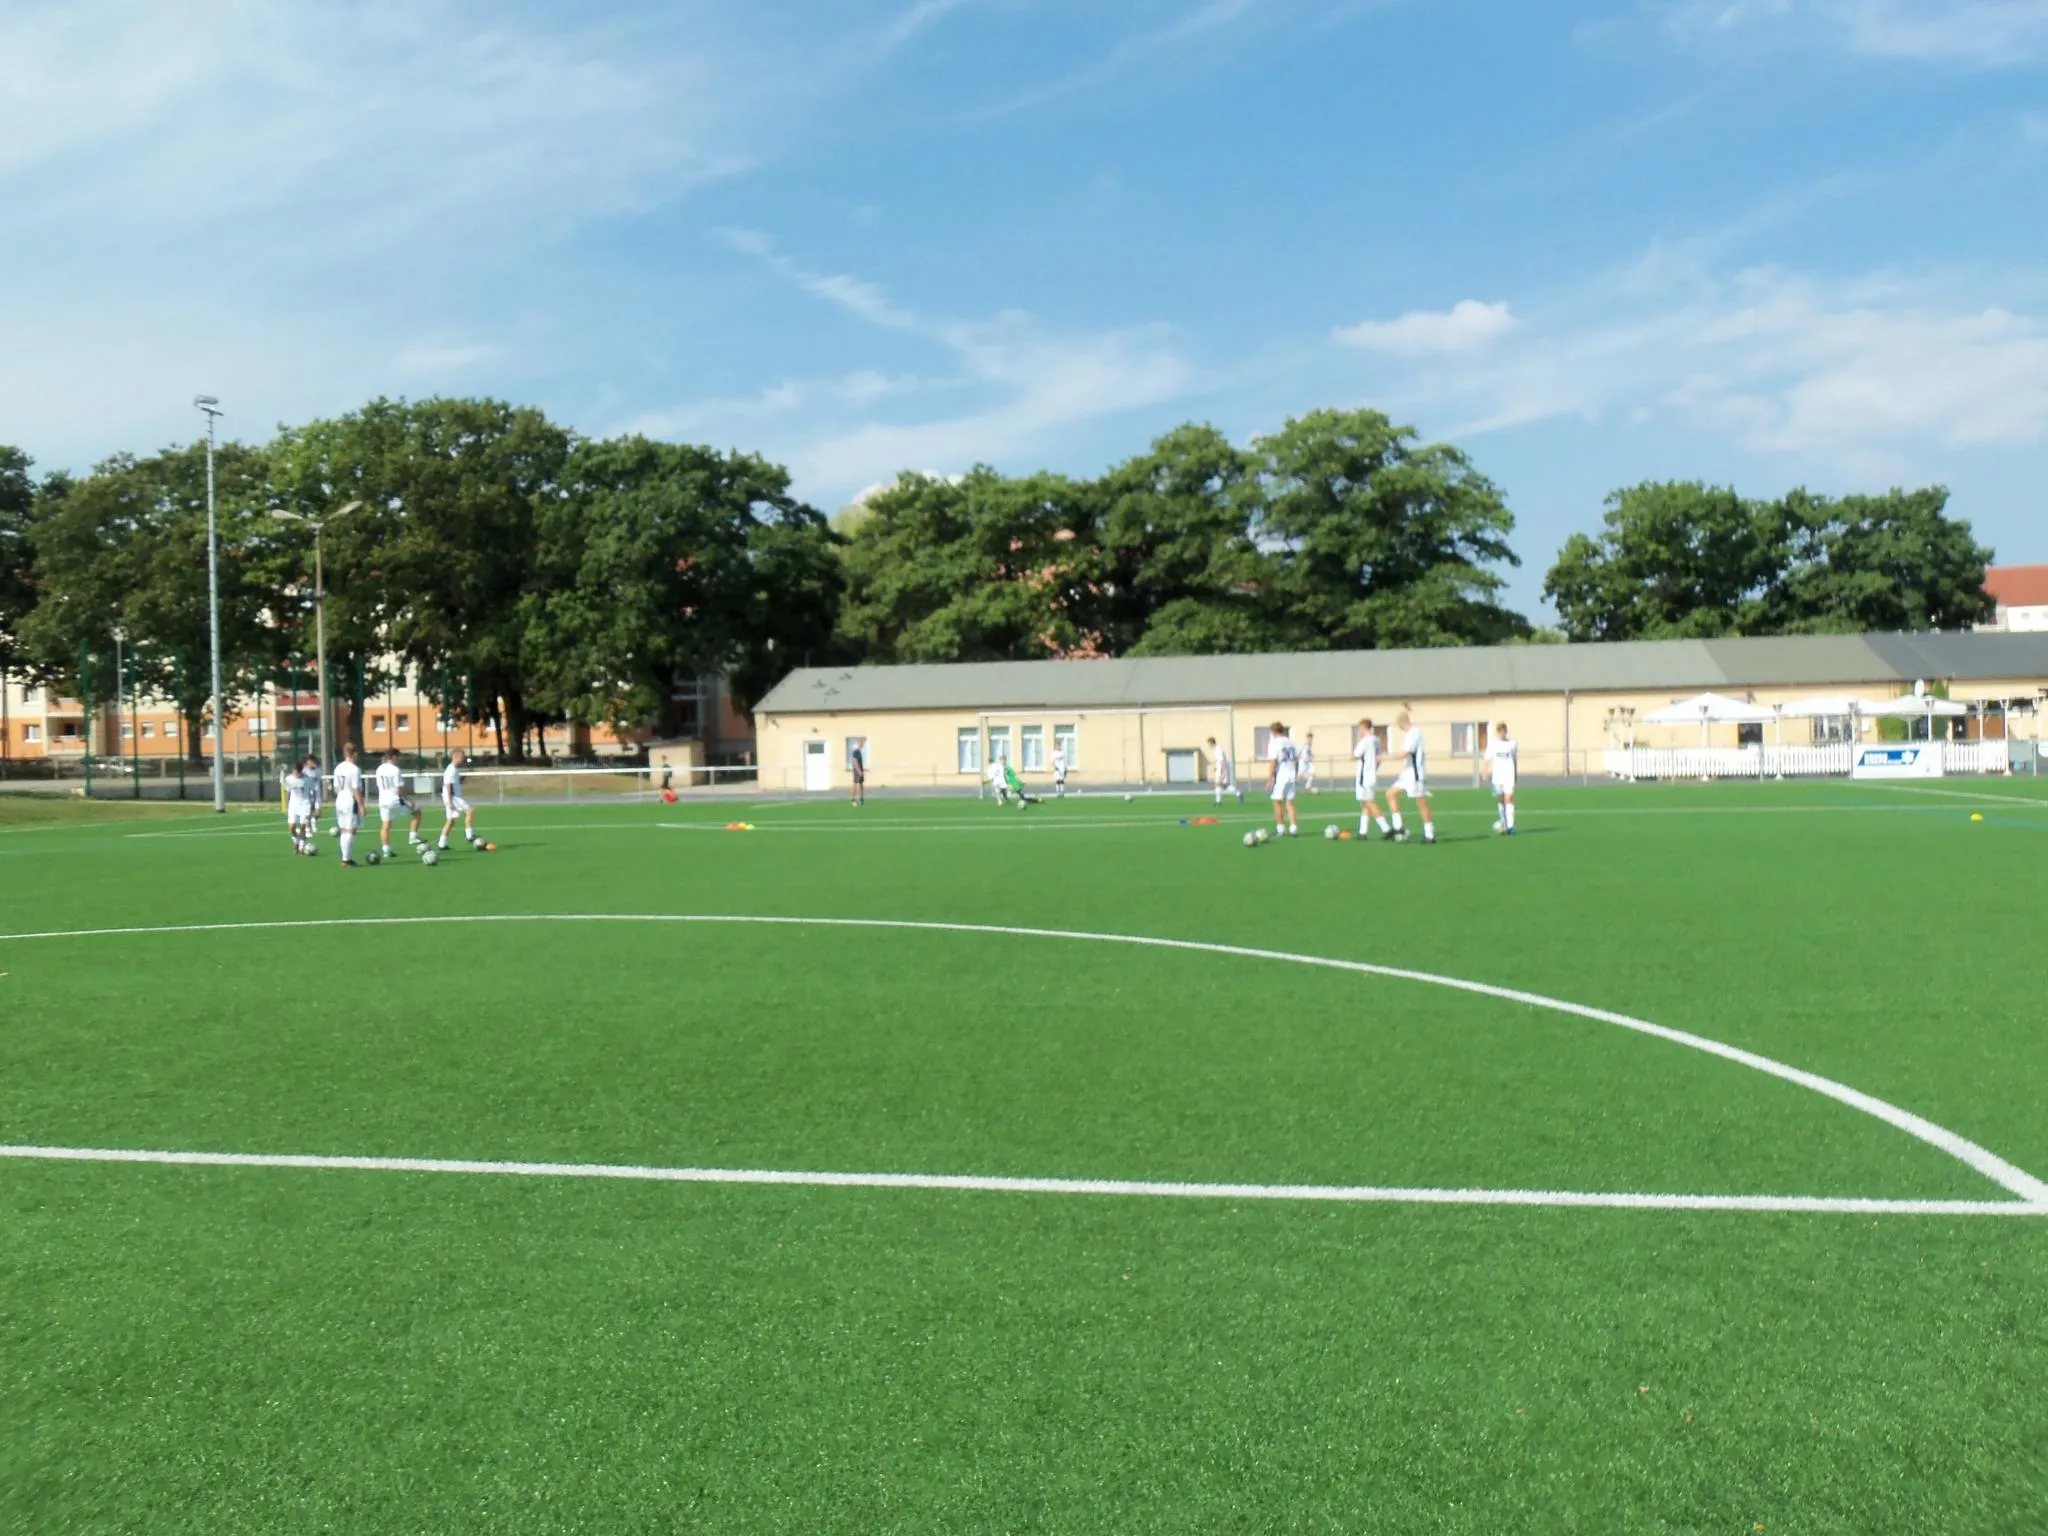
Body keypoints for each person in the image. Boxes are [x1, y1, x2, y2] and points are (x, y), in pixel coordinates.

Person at [1385, 710, 1435, 844]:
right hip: (1407, 773)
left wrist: (1385, 757)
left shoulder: (1414, 733)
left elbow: (1405, 753)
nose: (1399, 728)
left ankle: (1430, 834)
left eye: (1399, 725)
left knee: (1421, 802)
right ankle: (1398, 828)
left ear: (1402, 723)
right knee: (1390, 794)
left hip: (1415, 774)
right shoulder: (1408, 734)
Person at [374, 747, 422, 859]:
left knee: (386, 825)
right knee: (417, 812)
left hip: (383, 801)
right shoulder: (395, 770)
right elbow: (399, 789)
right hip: (394, 800)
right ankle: (413, 837)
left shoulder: (379, 769)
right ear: (394, 757)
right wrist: (410, 799)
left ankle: (386, 850)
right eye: (397, 757)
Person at [1352, 720, 1392, 841]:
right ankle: (1362, 832)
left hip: (1364, 776)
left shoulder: (1366, 741)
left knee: (1369, 802)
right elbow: (1379, 758)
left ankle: (1386, 828)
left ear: (1364, 727)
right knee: (1364, 802)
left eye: (1360, 728)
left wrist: (1358, 739)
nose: (1359, 731)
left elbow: (1356, 754)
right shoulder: (1377, 740)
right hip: (1372, 774)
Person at [439, 747, 483, 850]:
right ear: (456, 757)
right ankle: (469, 835)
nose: (463, 759)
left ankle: (442, 843)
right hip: (453, 797)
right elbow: (448, 785)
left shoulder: (454, 769)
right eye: (462, 757)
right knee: (470, 811)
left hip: (451, 797)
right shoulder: (451, 770)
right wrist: (450, 801)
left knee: (451, 821)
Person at [331, 743, 366, 867]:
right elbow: (356, 789)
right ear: (354, 753)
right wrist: (361, 805)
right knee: (351, 830)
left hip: (340, 799)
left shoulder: (338, 768)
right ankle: (346, 859)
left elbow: (336, 788)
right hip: (350, 801)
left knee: (344, 830)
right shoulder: (354, 769)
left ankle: (347, 858)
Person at [1265, 722, 1301, 837]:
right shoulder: (1291, 742)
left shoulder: (1274, 743)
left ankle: (1280, 828)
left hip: (1281, 776)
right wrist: (1296, 772)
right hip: (1291, 775)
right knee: (1290, 803)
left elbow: (1273, 762)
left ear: (1274, 732)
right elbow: (1296, 760)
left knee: (1277, 802)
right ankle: (1293, 828)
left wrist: (1269, 779)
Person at [1483, 721, 1518, 835]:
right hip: (1498, 777)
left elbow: (1514, 758)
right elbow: (1487, 758)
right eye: (1500, 732)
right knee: (1501, 800)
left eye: (1504, 731)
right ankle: (1504, 822)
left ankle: (1511, 827)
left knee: (1509, 799)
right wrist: (1485, 771)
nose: (1502, 733)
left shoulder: (1512, 743)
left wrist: (1515, 773)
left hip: (1509, 775)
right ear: (1497, 733)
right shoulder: (1493, 744)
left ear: (1506, 732)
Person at [1208, 737, 1242, 805]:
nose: (1209, 745)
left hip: (1221, 769)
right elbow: (1219, 760)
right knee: (1223, 786)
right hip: (1220, 768)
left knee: (1217, 784)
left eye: (1209, 743)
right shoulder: (1216, 749)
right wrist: (1216, 767)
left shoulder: (1218, 749)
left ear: (1212, 742)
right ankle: (1238, 793)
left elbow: (1222, 760)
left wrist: (1223, 771)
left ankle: (1218, 801)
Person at [849, 742, 866, 807]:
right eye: (860, 745)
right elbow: (854, 761)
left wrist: (863, 770)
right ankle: (853, 800)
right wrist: (859, 771)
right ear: (858, 745)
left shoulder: (859, 752)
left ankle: (861, 799)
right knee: (855, 785)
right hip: (857, 771)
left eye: (862, 745)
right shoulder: (856, 752)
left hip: (859, 770)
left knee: (861, 785)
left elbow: (859, 762)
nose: (862, 746)